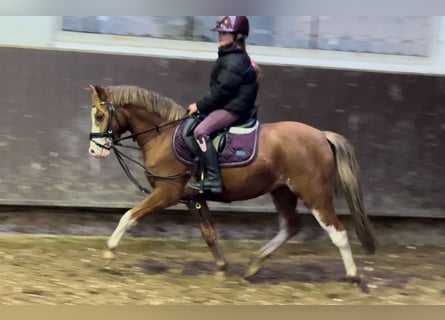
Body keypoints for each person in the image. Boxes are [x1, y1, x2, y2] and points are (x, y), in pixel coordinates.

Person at [187, 16, 260, 194]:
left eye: (224, 32)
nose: (220, 35)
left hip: (233, 109)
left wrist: (199, 105)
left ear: (237, 36)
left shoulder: (234, 61)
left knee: (200, 131)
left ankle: (213, 179)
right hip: (228, 105)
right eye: (219, 32)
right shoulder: (231, 56)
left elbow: (222, 91)